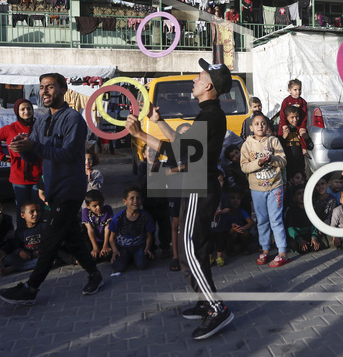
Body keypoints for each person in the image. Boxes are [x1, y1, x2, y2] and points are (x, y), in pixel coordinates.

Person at [127, 60, 235, 340]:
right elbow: (182, 146)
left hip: (201, 186)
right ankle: (205, 300)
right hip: (198, 184)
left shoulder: (210, 116)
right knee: (195, 246)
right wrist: (158, 122)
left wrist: (141, 134)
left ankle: (216, 308)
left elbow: (179, 154)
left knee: (189, 247)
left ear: (209, 85)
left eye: (199, 77)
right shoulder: (208, 114)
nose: (194, 81)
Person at [0, 73, 105, 304]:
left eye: (50, 87)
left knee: (51, 238)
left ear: (63, 89)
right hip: (52, 188)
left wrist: (34, 146)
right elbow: (34, 155)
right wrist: (20, 148)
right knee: (72, 237)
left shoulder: (74, 119)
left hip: (70, 188)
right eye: (42, 87)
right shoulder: (42, 121)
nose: (44, 91)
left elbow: (67, 154)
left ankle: (31, 288)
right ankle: (95, 274)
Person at [241, 112, 290, 267]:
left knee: (276, 219)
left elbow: (283, 162)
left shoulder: (273, 141)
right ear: (251, 127)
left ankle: (282, 251)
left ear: (267, 126)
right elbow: (244, 166)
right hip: (257, 189)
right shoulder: (247, 144)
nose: (260, 126)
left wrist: (272, 159)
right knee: (262, 220)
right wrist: (258, 163)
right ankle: (265, 249)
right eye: (257, 124)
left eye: (263, 123)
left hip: (275, 186)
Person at [0, 98, 41, 224]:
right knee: (23, 209)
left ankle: (38, 236)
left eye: (29, 108)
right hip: (19, 175)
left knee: (38, 208)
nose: (26, 111)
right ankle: (22, 237)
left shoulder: (40, 127)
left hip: (38, 173)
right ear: (17, 112)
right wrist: (1, 156)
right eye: (22, 109)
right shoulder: (9, 129)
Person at [105, 186, 155, 275]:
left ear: (142, 200)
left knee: (142, 265)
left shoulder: (146, 217)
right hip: (122, 248)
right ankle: (127, 258)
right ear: (125, 201)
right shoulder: (118, 218)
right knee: (117, 267)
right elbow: (112, 237)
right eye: (132, 198)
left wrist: (147, 248)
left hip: (139, 247)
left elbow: (149, 235)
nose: (135, 201)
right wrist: (115, 251)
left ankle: (134, 258)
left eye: (138, 198)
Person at [208, 190, 254, 264]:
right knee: (232, 232)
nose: (235, 200)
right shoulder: (225, 212)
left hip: (239, 231)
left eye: (238, 198)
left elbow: (251, 222)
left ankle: (244, 246)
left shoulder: (241, 211)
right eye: (233, 198)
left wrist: (243, 228)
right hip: (228, 234)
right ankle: (229, 248)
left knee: (244, 232)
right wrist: (233, 229)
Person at [1, 202, 43, 275]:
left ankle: (14, 268)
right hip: (27, 255)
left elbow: (49, 241)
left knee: (46, 260)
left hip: (40, 254)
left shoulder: (43, 226)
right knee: (7, 259)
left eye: (38, 211)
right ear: (23, 215)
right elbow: (17, 244)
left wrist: (41, 250)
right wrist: (20, 252)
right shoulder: (20, 230)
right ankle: (28, 264)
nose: (36, 214)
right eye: (32, 212)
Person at [284, 187, 322, 254]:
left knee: (315, 246)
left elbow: (314, 223)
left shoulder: (311, 208)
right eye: (299, 193)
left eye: (304, 193)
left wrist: (313, 237)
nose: (302, 195)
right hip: (297, 236)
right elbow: (290, 228)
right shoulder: (291, 210)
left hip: (308, 234)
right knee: (300, 248)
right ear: (294, 197)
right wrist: (299, 240)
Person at [279, 105, 311, 183]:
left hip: (300, 164)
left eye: (297, 116)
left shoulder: (301, 128)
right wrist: (283, 137)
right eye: (292, 117)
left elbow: (311, 146)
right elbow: (277, 148)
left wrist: (306, 138)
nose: (295, 119)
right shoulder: (282, 130)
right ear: (286, 117)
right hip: (288, 165)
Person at [81, 189, 114, 264]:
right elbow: (90, 230)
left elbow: (107, 227)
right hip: (92, 240)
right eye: (94, 206)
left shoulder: (108, 209)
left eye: (100, 204)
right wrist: (95, 247)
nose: (98, 207)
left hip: (105, 238)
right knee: (92, 257)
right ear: (88, 206)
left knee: (107, 255)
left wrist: (105, 245)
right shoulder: (85, 212)